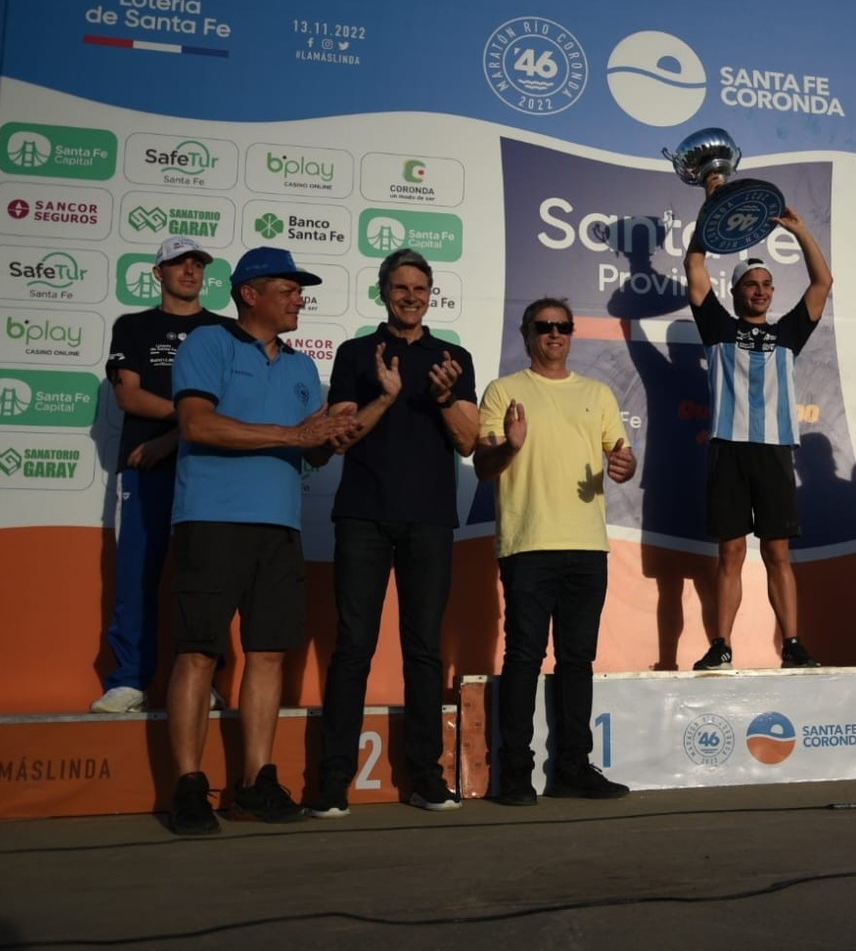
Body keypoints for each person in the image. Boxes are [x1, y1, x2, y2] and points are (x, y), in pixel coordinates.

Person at [165, 246, 360, 835]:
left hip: (281, 525)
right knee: (200, 650)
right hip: (212, 519)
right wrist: (295, 433)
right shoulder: (209, 344)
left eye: (301, 290)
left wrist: (330, 438)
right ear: (250, 294)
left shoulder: (303, 368)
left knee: (270, 652)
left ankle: (255, 780)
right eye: (289, 288)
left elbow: (309, 451)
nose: (300, 297)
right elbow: (196, 424)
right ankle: (189, 786)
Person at [309, 249, 480, 818]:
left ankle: (426, 778)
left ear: (432, 294)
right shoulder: (358, 354)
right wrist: (385, 394)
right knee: (353, 648)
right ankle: (333, 782)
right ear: (383, 291)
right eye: (401, 287)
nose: (411, 296)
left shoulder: (453, 358)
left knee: (424, 651)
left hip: (430, 519)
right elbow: (339, 439)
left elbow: (468, 442)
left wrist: (444, 396)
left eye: (420, 288)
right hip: (362, 516)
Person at [474, 297, 637, 806]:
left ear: (572, 333)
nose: (554, 334)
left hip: (587, 547)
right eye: (543, 327)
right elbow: (483, 466)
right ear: (527, 334)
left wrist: (624, 465)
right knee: (524, 657)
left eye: (563, 326)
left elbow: (622, 454)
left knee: (577, 661)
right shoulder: (504, 391)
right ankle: (516, 772)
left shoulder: (599, 392)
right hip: (528, 545)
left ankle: (571, 767)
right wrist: (510, 446)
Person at [683, 186, 833, 671]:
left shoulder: (787, 332)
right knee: (729, 552)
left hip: (772, 451)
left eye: (767, 284)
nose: (761, 290)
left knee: (778, 552)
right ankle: (721, 645)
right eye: (752, 284)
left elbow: (822, 283)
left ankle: (792, 643)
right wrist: (712, 212)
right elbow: (695, 268)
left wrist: (801, 230)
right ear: (736, 291)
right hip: (728, 449)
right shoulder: (717, 327)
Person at [93, 237, 227, 713]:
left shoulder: (226, 330)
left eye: (197, 264)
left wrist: (177, 433)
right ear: (158, 273)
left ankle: (204, 680)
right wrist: (190, 414)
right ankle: (128, 679)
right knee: (136, 577)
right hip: (144, 470)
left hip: (208, 470)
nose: (189, 272)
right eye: (178, 264)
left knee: (208, 581)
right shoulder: (133, 326)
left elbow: (230, 403)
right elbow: (128, 396)